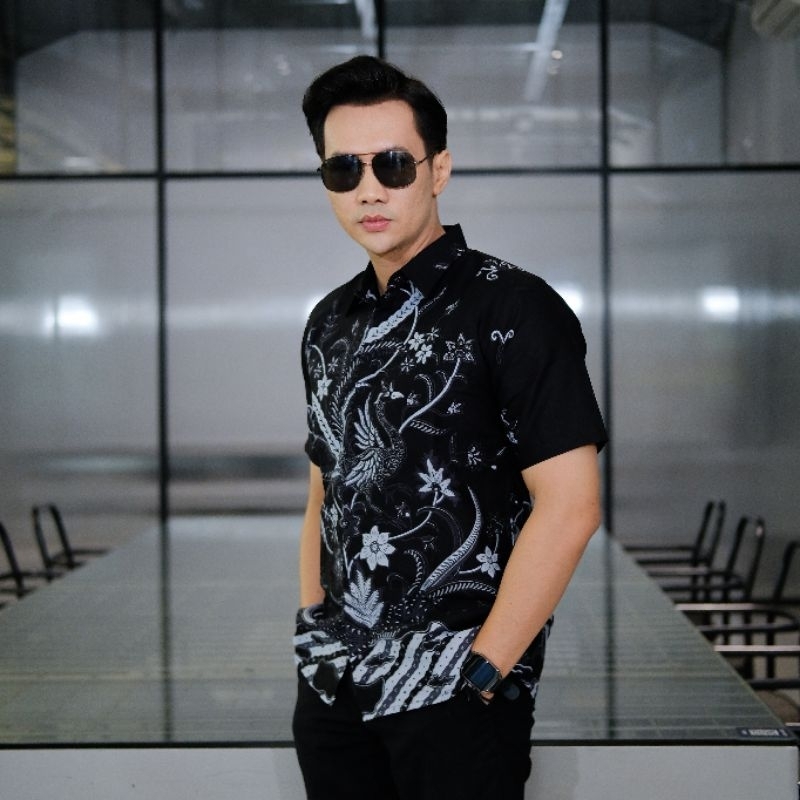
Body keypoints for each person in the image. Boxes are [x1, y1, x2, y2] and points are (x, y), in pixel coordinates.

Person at [292, 54, 607, 800]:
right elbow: (325, 492)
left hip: (458, 692)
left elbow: (571, 505)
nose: (369, 188)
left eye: (393, 164)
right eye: (343, 169)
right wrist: (311, 631)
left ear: (438, 170)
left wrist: (484, 670)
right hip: (336, 689)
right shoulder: (329, 322)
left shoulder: (514, 307)